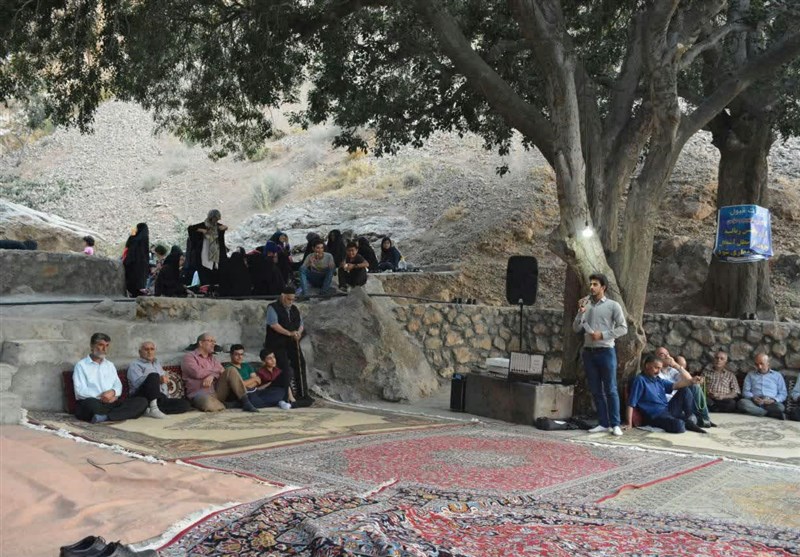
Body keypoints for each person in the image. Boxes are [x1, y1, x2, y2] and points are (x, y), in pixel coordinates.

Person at [572, 273, 628, 436]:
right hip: (589, 352)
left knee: (611, 388)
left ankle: (615, 424)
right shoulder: (586, 305)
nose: (591, 287)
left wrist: (603, 335)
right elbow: (576, 328)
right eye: (591, 284)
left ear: (603, 287)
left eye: (595, 284)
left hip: (606, 351)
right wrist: (580, 312)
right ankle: (603, 423)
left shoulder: (613, 306)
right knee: (596, 390)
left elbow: (623, 328)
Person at [72, 333, 148, 423]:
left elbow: (118, 385)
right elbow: (80, 391)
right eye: (101, 345)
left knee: (142, 402)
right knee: (90, 405)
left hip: (111, 402)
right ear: (92, 346)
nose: (104, 349)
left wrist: (113, 392)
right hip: (94, 402)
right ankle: (117, 415)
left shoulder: (110, 365)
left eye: (107, 345)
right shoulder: (81, 365)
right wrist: (103, 396)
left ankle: (105, 417)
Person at [626, 354, 708, 434]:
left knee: (685, 390)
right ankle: (687, 422)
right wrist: (629, 423)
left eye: (660, 369)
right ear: (647, 366)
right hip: (655, 416)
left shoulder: (658, 380)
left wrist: (692, 381)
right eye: (656, 368)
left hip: (667, 409)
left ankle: (689, 418)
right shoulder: (640, 380)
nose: (658, 372)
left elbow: (675, 385)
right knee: (679, 425)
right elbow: (631, 403)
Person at [181, 332, 258, 412]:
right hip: (200, 394)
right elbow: (197, 373)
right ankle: (231, 405)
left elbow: (222, 371)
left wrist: (212, 376)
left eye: (214, 342)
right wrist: (214, 373)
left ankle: (246, 402)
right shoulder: (189, 357)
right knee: (208, 404)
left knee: (230, 370)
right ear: (201, 343)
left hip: (217, 392)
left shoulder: (212, 358)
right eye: (210, 341)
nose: (213, 344)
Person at [263, 286, 312, 402]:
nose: (291, 302)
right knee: (284, 366)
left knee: (300, 364)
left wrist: (298, 333)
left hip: (292, 342)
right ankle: (288, 396)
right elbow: (274, 325)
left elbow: (301, 324)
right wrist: (289, 333)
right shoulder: (272, 307)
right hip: (277, 343)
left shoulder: (294, 309)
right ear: (282, 296)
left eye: (292, 299)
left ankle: (303, 393)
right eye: (288, 299)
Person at [127, 341, 192, 417]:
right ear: (140, 352)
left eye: (152, 349)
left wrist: (166, 396)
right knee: (154, 376)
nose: (149, 352)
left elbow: (164, 382)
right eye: (146, 349)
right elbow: (136, 384)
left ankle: (147, 410)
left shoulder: (157, 363)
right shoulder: (135, 365)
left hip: (159, 397)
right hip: (142, 397)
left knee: (185, 405)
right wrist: (157, 380)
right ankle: (153, 408)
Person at [654, 347, 714, 427]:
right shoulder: (655, 372)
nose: (667, 357)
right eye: (662, 355)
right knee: (685, 389)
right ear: (656, 358)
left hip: (681, 402)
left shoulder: (672, 371)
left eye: (667, 354)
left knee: (694, 386)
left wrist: (676, 365)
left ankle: (704, 418)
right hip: (669, 405)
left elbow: (689, 380)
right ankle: (696, 419)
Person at [737, 353, 788, 419]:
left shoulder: (777, 375)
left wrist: (773, 400)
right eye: (757, 364)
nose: (759, 367)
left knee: (780, 407)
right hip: (754, 402)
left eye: (762, 364)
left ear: (768, 363)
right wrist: (753, 397)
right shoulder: (750, 375)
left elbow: (783, 393)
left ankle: (757, 412)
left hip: (770, 403)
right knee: (742, 403)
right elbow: (745, 391)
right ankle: (768, 413)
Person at [186, 209, 228, 286]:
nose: (216, 221)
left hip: (216, 257)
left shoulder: (217, 226)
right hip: (204, 256)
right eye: (215, 218)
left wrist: (224, 228)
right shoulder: (202, 225)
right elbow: (191, 229)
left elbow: (223, 228)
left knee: (216, 275)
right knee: (205, 276)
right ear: (211, 217)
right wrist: (201, 230)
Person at [123, 223, 150, 297]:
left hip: (132, 263)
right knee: (139, 282)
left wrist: (132, 234)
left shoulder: (134, 238)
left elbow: (127, 246)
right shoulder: (145, 238)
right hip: (142, 264)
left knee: (131, 281)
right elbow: (145, 253)